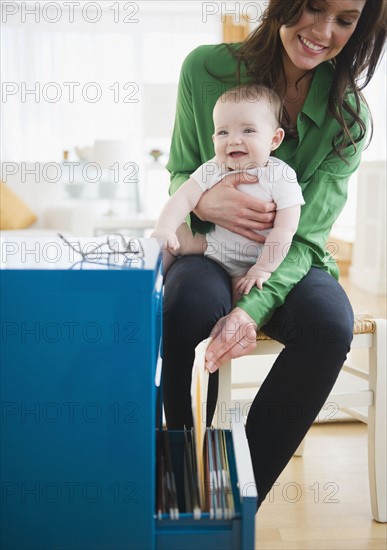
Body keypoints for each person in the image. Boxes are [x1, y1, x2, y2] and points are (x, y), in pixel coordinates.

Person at [162, 0, 386, 508]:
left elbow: (307, 237)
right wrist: (207, 199)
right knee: (187, 305)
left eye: (346, 20)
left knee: (329, 327)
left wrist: (250, 310)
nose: (322, 31)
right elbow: (180, 169)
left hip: (292, 259)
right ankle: (175, 479)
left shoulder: (348, 116)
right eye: (313, 7)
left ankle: (231, 503)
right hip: (212, 248)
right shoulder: (205, 69)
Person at [151, 83, 305, 298]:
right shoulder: (214, 167)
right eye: (223, 132)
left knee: (244, 296)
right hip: (210, 247)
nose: (233, 140)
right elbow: (184, 197)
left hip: (251, 261)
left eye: (248, 130)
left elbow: (285, 230)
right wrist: (164, 228)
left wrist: (262, 268)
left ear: (274, 139)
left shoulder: (281, 175)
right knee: (171, 238)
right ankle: (150, 286)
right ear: (214, 139)